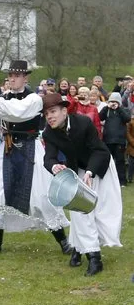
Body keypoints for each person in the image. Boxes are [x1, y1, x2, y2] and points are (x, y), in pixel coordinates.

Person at [0, 60, 71, 256]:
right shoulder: (1, 100)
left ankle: (63, 242)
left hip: (31, 150)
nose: (12, 79)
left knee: (42, 197)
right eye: (10, 76)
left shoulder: (34, 99)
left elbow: (17, 112)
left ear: (25, 78)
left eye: (16, 76)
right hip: (7, 150)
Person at [42, 93, 122, 275]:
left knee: (102, 212)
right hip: (76, 171)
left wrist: (89, 172)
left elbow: (99, 151)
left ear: (64, 111)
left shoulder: (83, 123)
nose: (50, 117)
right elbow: (49, 158)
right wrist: (54, 166)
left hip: (99, 166)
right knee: (81, 212)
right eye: (46, 114)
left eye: (53, 111)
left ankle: (78, 249)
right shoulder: (49, 132)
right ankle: (94, 258)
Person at [100, 92, 132, 186]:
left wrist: (119, 107)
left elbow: (127, 119)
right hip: (107, 140)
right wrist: (107, 106)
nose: (113, 103)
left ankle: (122, 181)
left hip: (119, 141)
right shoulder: (107, 110)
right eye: (111, 101)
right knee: (107, 161)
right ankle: (106, 180)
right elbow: (100, 117)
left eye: (115, 101)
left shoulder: (123, 110)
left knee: (120, 161)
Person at [126, 113, 134, 183]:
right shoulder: (131, 122)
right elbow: (127, 133)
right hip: (132, 147)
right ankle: (130, 178)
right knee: (131, 163)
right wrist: (133, 142)